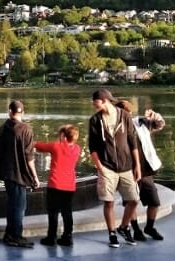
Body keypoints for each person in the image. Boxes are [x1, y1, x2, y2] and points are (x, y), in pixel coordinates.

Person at [88, 89, 141, 248]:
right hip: (107, 167)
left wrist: (137, 165)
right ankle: (112, 233)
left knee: (133, 200)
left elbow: (133, 141)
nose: (93, 103)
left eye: (95, 100)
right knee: (108, 202)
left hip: (126, 166)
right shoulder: (95, 120)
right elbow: (92, 147)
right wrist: (100, 167)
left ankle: (124, 227)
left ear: (104, 100)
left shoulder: (124, 116)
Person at [0, 100, 40, 248]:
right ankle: (16, 236)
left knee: (12, 205)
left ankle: (9, 234)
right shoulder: (26, 129)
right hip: (20, 174)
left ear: (9, 111)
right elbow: (29, 156)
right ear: (23, 113)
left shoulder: (3, 128)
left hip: (7, 172)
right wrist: (35, 177)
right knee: (19, 207)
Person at [121, 102, 167, 242]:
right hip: (128, 172)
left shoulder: (140, 123)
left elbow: (159, 124)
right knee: (131, 202)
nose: (126, 115)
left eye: (127, 112)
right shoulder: (117, 130)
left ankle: (150, 227)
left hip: (146, 171)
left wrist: (156, 117)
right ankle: (136, 230)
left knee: (154, 201)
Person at [35, 124, 82, 247]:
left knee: (53, 212)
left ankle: (51, 237)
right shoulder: (77, 149)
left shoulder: (55, 146)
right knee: (67, 212)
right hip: (69, 185)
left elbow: (38, 146)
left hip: (55, 184)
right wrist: (63, 134)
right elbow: (66, 143)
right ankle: (68, 236)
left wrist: (60, 134)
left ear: (63, 135)